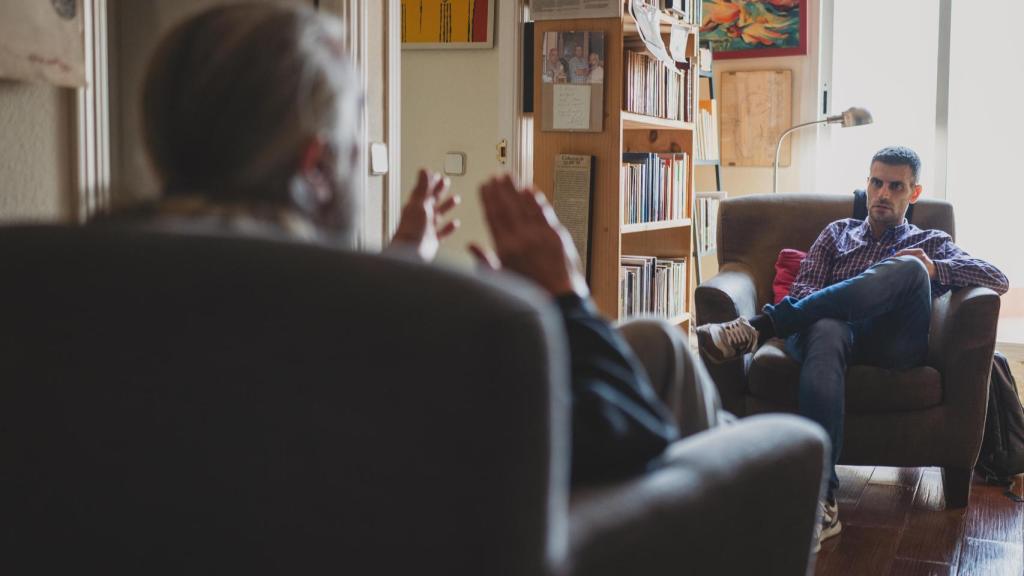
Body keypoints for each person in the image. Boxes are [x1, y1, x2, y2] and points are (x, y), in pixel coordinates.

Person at [130, 2, 679, 486]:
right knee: (666, 353)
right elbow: (629, 434)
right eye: (356, 136)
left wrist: (396, 270)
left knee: (654, 342)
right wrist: (564, 296)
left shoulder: (85, 291)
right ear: (317, 169)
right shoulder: (380, 345)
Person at [695, 145, 1009, 549]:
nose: (883, 193)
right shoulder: (836, 233)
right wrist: (843, 304)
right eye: (876, 182)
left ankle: (759, 327)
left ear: (914, 193)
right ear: (867, 183)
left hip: (893, 344)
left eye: (896, 186)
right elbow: (806, 289)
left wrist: (936, 268)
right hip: (826, 336)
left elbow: (996, 277)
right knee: (827, 326)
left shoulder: (930, 241)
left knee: (911, 267)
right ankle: (822, 500)